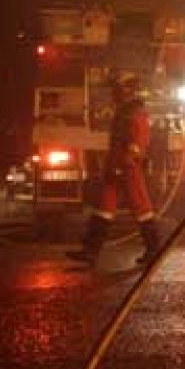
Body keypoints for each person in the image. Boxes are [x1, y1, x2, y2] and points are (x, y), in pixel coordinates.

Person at [67, 73, 160, 266]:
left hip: (128, 167)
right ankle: (90, 251)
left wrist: (123, 164)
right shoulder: (126, 110)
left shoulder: (135, 112)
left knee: (141, 207)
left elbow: (138, 142)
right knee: (104, 207)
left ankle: (154, 249)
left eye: (118, 90)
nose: (114, 94)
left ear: (127, 90)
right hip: (118, 166)